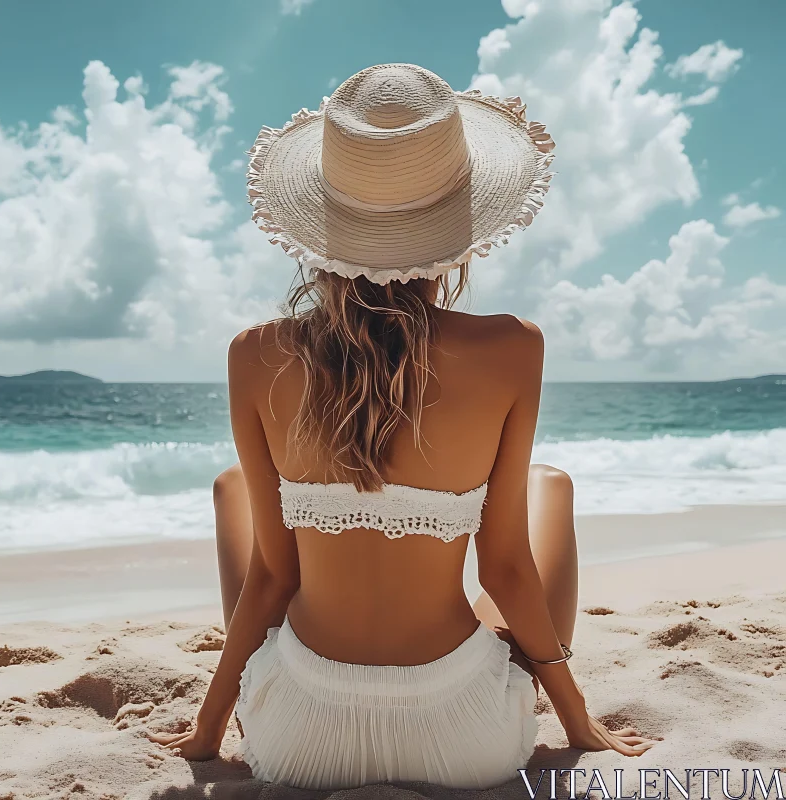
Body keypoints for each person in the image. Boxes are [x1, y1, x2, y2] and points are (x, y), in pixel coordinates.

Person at [150, 63, 657, 790]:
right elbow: (505, 567)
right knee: (550, 488)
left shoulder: (254, 355)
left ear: (321, 226)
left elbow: (272, 577)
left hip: (299, 741)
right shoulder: (513, 347)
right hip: (465, 739)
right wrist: (578, 724)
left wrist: (208, 731)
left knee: (239, 493)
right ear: (462, 224)